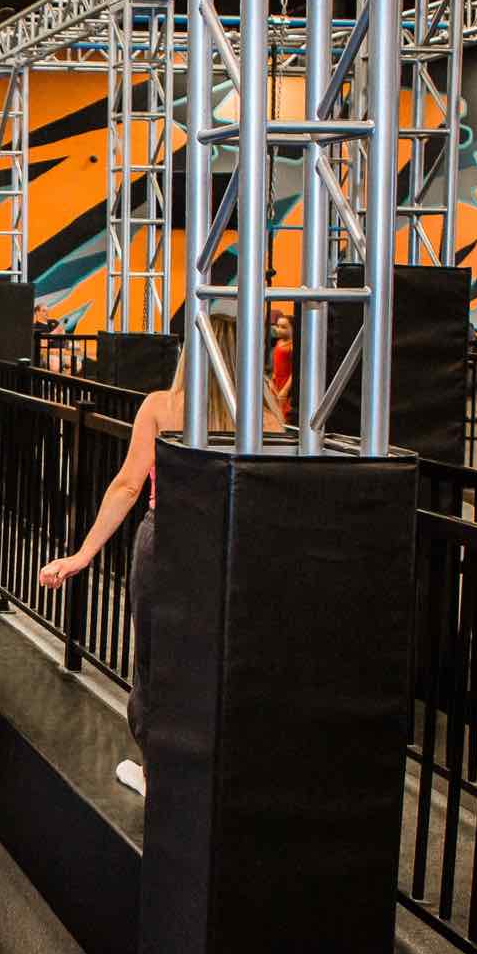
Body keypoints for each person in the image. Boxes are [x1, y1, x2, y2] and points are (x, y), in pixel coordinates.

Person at [35, 313, 284, 799]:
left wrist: (83, 554)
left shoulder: (162, 407)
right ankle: (219, 772)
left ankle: (155, 772)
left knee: (155, 659)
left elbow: (128, 486)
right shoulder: (268, 419)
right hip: (232, 547)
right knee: (222, 656)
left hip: (166, 541)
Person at [268, 313, 294, 420]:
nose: (279, 329)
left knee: (285, 413)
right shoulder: (278, 342)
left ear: (293, 328)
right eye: (278, 326)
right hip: (276, 382)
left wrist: (285, 390)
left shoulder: (292, 346)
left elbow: (294, 372)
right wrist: (271, 379)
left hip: (286, 383)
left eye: (283, 327)